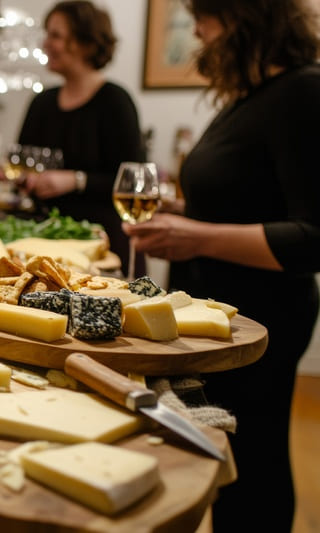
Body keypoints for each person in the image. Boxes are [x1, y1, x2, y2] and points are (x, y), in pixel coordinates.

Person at [123, 1, 320, 530]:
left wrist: (197, 238)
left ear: (243, 17)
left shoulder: (304, 91)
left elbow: (311, 237)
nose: (198, 34)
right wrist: (182, 213)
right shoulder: (250, 98)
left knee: (253, 468)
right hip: (217, 320)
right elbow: (246, 201)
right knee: (220, 457)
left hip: (259, 320)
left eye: (204, 19)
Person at [7, 1, 144, 277]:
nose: (46, 44)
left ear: (86, 44)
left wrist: (75, 180)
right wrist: (23, 179)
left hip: (102, 248)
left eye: (55, 35)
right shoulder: (41, 103)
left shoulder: (115, 101)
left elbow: (135, 183)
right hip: (43, 241)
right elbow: (23, 162)